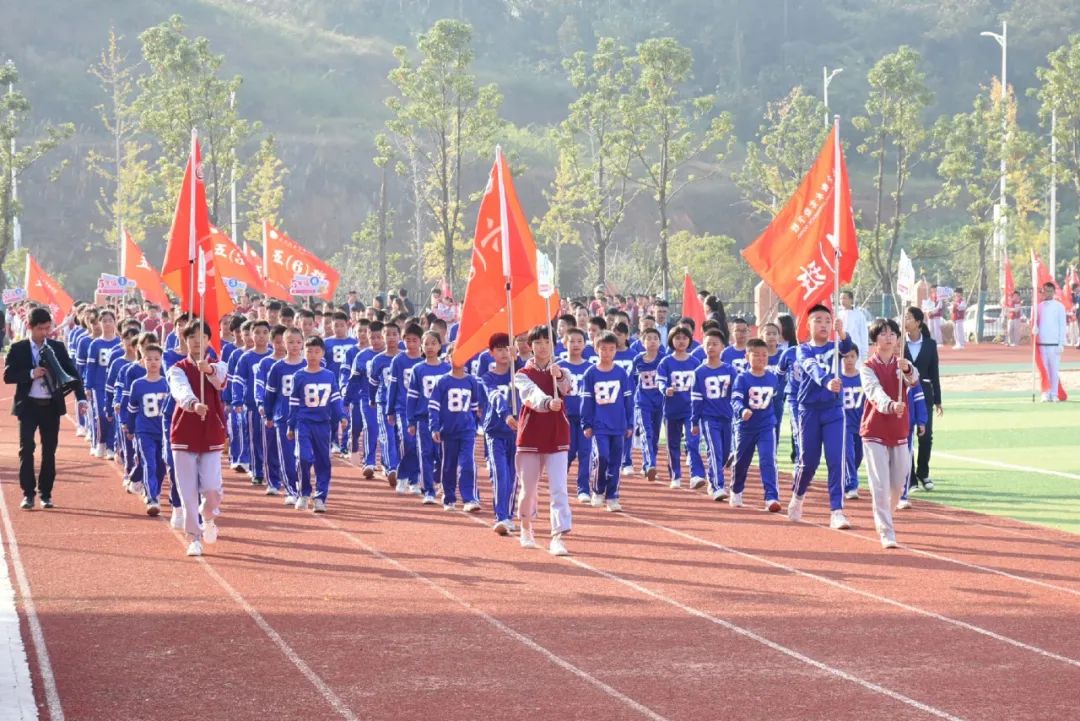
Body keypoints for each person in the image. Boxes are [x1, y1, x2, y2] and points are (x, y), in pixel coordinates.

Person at [5, 307, 89, 509]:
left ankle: (46, 494)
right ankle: (28, 494)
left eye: (47, 328)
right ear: (29, 326)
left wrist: (81, 399)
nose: (44, 333)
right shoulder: (18, 348)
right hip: (28, 406)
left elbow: (73, 373)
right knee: (26, 449)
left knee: (49, 451)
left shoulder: (57, 347)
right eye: (40, 329)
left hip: (51, 406)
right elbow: (8, 376)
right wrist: (31, 373)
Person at [788, 304, 854, 529]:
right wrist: (827, 382)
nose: (823, 325)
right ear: (808, 325)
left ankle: (837, 510)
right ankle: (798, 496)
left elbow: (847, 347)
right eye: (818, 320)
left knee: (836, 459)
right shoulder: (803, 349)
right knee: (809, 461)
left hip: (834, 409)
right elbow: (812, 368)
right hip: (809, 410)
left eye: (827, 320)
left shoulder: (836, 346)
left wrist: (842, 332)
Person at [167, 321, 228, 557]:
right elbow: (180, 391)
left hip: (211, 432)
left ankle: (209, 515)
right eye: (191, 336)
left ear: (208, 341)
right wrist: (193, 404)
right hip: (184, 432)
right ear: (185, 340)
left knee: (212, 488)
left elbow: (220, 382)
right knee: (187, 490)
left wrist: (208, 370)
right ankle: (193, 537)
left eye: (201, 337)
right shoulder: (177, 368)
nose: (196, 341)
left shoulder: (218, 365)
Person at [859, 318, 920, 549]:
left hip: (899, 430)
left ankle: (885, 515)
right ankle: (886, 530)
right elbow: (873, 391)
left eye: (892, 334)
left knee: (898, 484)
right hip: (874, 430)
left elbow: (914, 381)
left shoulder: (902, 363)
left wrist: (907, 369)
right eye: (883, 334)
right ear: (875, 340)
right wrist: (890, 406)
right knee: (880, 485)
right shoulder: (867, 367)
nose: (888, 337)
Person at [513, 325, 573, 556]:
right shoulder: (522, 374)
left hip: (557, 435)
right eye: (537, 342)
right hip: (530, 435)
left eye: (547, 342)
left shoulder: (561, 370)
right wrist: (548, 402)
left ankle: (558, 536)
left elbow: (568, 388)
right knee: (528, 489)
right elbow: (530, 395)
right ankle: (526, 527)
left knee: (559, 488)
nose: (542, 347)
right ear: (530, 346)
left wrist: (560, 378)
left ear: (554, 345)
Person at [287, 335, 348, 513]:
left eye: (316, 351)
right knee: (304, 458)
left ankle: (320, 496)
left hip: (323, 424)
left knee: (323, 461)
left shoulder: (329, 375)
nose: (312, 355)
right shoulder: (299, 376)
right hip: (304, 423)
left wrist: (341, 416)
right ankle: (304, 492)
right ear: (304, 353)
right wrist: (291, 425)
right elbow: (294, 403)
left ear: (322, 354)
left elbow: (335, 399)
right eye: (309, 351)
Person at [580, 332, 633, 513]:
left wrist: (630, 423)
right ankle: (597, 490)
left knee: (616, 461)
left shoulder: (621, 373)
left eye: (611, 349)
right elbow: (586, 401)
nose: (607, 352)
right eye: (603, 349)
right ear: (596, 349)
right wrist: (586, 424)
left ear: (616, 350)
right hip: (599, 425)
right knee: (602, 456)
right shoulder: (590, 373)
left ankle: (612, 495)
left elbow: (628, 400)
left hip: (618, 425)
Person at [730, 338, 782, 512]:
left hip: (766, 426)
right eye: (756, 355)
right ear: (747, 357)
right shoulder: (742, 379)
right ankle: (736, 490)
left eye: (764, 355)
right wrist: (742, 410)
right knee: (741, 461)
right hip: (745, 427)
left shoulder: (772, 378)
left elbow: (776, 401)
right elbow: (735, 399)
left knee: (768, 459)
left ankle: (771, 496)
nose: (761, 358)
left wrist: (775, 420)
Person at [478, 333, 520, 531]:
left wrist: (517, 360)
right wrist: (506, 415)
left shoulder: (519, 373)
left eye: (507, 349)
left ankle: (509, 514)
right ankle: (501, 516)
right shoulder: (487, 378)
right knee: (500, 473)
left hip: (518, 433)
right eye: (500, 349)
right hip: (496, 431)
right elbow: (494, 396)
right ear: (491, 353)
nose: (504, 353)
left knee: (513, 475)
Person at [429, 360, 482, 513]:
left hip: (467, 430)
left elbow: (474, 406)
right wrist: (434, 427)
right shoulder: (442, 381)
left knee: (467, 463)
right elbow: (434, 406)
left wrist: (474, 424)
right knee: (449, 465)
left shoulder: (471, 381)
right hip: (448, 431)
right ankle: (449, 497)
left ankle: (469, 498)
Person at [690, 330, 736, 501]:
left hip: (727, 417)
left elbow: (736, 394)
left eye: (715, 344)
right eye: (708, 344)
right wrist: (695, 421)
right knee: (714, 450)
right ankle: (718, 486)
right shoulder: (699, 372)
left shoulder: (730, 370)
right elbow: (696, 399)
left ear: (722, 346)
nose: (711, 347)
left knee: (724, 453)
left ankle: (713, 477)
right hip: (709, 418)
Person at [263, 328, 307, 506]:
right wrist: (269, 415)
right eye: (290, 342)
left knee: (305, 457)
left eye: (298, 342)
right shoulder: (277, 367)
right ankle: (291, 490)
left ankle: (304, 487)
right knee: (287, 456)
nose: (295, 346)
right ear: (283, 344)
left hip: (306, 417)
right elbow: (270, 394)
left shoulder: (309, 364)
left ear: (303, 343)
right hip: (283, 418)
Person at [124, 344, 169, 515]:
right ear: (142, 361)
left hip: (163, 432)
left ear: (161, 361)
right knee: (149, 463)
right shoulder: (138, 384)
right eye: (149, 359)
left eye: (156, 359)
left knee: (161, 465)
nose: (153, 362)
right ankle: (152, 498)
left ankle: (153, 490)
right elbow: (132, 409)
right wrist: (130, 428)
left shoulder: (167, 383)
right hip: (144, 431)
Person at [407, 330, 451, 506]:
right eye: (426, 344)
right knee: (425, 453)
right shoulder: (418, 369)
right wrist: (410, 420)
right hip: (423, 418)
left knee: (442, 454)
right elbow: (412, 397)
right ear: (422, 346)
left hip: (443, 419)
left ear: (440, 346)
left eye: (434, 343)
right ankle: (428, 490)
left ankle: (439, 480)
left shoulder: (447, 369)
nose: (430, 347)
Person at [903, 306, 941, 491]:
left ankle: (923, 472)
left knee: (925, 435)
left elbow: (934, 373)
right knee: (906, 435)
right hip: (905, 394)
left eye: (909, 317)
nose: (905, 321)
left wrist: (938, 400)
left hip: (925, 393)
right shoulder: (899, 344)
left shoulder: (930, 344)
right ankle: (910, 477)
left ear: (918, 322)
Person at [558, 328, 593, 502]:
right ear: (565, 343)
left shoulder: (590, 368)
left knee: (586, 452)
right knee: (568, 452)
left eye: (580, 341)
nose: (576, 344)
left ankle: (583, 488)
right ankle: (559, 485)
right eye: (572, 341)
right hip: (565, 417)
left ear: (585, 344)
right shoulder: (558, 367)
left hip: (585, 418)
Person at [632, 327, 664, 483]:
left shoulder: (664, 360)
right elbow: (631, 379)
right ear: (642, 342)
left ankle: (648, 464)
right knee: (647, 432)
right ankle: (651, 464)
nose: (652, 341)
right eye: (649, 338)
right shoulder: (637, 360)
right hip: (643, 402)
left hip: (660, 402)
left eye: (655, 338)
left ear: (660, 342)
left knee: (655, 434)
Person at [1033, 281, 1067, 401]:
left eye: (1050, 291)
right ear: (1042, 292)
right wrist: (1034, 328)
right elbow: (1035, 322)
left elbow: (1062, 326)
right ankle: (1045, 392)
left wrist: (1061, 343)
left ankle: (1054, 393)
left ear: (1053, 292)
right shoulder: (1039, 307)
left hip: (1054, 344)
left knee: (1054, 370)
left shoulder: (1059, 307)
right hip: (1041, 343)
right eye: (1045, 290)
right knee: (1044, 370)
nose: (1047, 293)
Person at [839, 347, 864, 500]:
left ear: (857, 357)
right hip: (844, 423)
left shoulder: (863, 378)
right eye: (845, 357)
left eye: (852, 356)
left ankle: (846, 477)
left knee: (858, 455)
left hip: (861, 423)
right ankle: (852, 485)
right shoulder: (838, 379)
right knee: (848, 453)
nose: (849, 360)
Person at [837, 290, 870, 363]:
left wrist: (864, 353)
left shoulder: (859, 315)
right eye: (840, 299)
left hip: (856, 349)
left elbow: (864, 334)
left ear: (851, 300)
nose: (842, 301)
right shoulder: (838, 315)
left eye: (844, 298)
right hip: (842, 349)